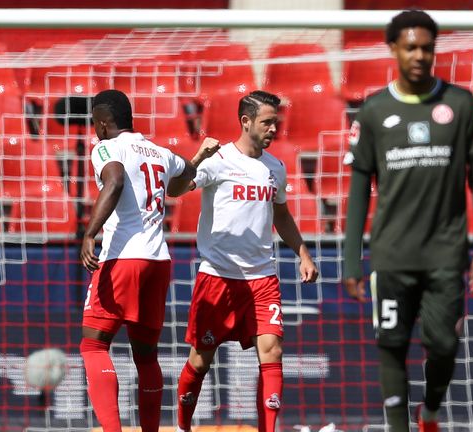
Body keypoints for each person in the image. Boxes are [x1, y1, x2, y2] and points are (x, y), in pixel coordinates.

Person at [342, 9, 473, 432]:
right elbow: (358, 189)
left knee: (444, 344)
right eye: (410, 47)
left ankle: (429, 410)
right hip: (392, 255)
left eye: (427, 47)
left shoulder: (460, 103)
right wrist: (352, 260)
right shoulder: (373, 111)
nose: (419, 55)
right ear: (393, 49)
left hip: (446, 254)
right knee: (390, 345)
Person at [169, 90, 319, 432]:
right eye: (266, 122)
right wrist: (197, 157)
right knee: (200, 360)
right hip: (218, 278)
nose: (273, 129)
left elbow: (280, 214)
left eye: (276, 123)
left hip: (262, 278)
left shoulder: (275, 168)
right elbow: (175, 191)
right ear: (245, 121)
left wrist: (303, 253)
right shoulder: (218, 160)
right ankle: (182, 427)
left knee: (273, 352)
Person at [79, 89, 212, 431]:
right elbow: (183, 177)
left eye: (95, 124)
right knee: (145, 355)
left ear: (104, 123)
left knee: (93, 346)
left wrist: (90, 232)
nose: (95, 130)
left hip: (123, 257)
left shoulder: (108, 147)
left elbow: (116, 180)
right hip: (158, 261)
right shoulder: (158, 151)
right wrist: (197, 158)